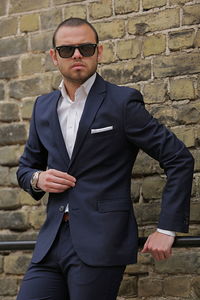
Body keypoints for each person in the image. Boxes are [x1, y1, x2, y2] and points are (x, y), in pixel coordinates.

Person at [16, 17, 194, 300]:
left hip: (101, 243)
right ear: (54, 57)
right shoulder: (43, 107)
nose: (77, 55)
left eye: (86, 48)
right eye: (67, 50)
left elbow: (179, 158)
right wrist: (39, 179)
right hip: (50, 244)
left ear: (98, 52)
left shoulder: (121, 102)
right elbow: (26, 168)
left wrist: (166, 228)